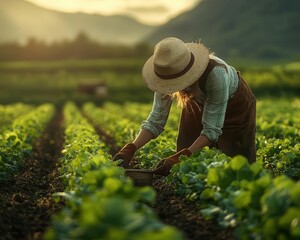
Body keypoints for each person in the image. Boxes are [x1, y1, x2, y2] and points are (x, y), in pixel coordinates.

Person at [113, 37, 256, 176]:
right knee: (187, 157)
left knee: (236, 163)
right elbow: (155, 121)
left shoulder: (216, 75)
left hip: (235, 107)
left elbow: (211, 130)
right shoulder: (164, 76)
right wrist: (130, 149)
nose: (173, 87)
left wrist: (179, 157)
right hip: (196, 100)